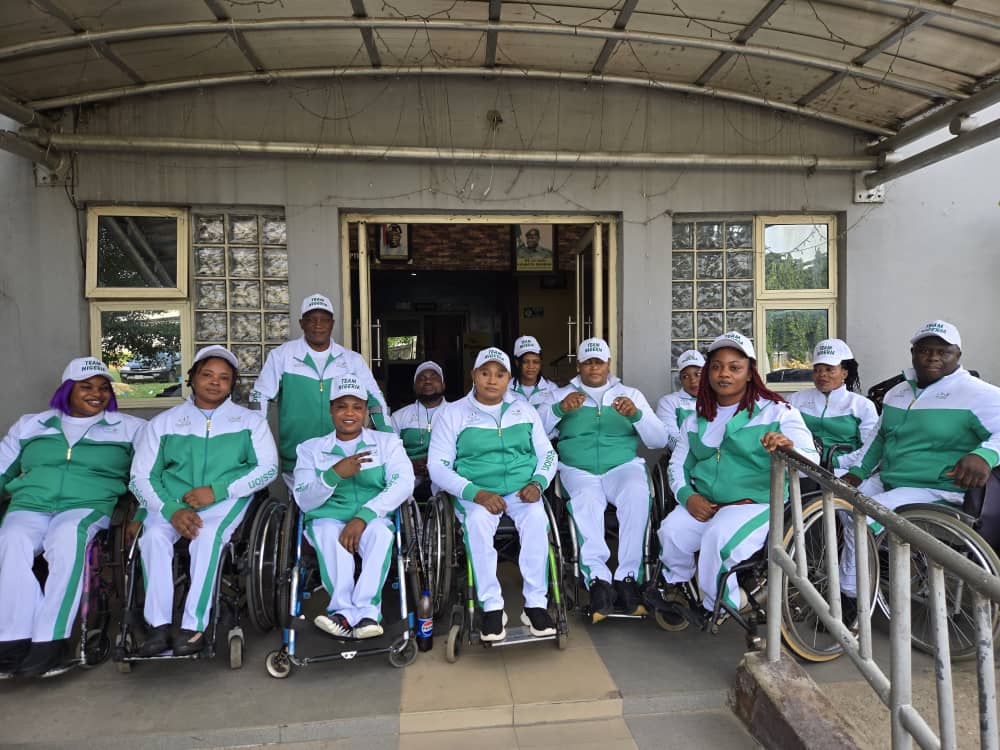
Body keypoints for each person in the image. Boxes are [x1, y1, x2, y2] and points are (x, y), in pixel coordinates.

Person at [839, 320, 1000, 610]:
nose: (933, 357)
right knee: (838, 502)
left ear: (958, 355)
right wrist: (857, 472)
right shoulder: (897, 392)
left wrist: (985, 455)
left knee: (861, 516)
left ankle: (851, 598)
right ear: (913, 353)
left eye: (943, 351)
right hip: (891, 478)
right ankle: (875, 564)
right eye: (925, 350)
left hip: (935, 487)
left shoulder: (979, 393)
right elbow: (879, 438)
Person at [657, 331, 818, 619]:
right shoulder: (696, 418)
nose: (724, 374)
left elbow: (810, 457)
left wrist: (788, 447)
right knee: (670, 533)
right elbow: (677, 465)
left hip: (756, 503)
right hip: (707, 502)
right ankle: (679, 587)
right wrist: (688, 496)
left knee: (717, 541)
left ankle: (725, 605)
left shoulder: (777, 412)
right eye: (717, 367)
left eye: (734, 367)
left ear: (750, 372)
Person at [0, 358, 144, 676]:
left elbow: (146, 475)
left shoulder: (130, 428)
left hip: (88, 505)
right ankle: (13, 637)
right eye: (86, 387)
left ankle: (50, 639)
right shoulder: (31, 425)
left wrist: (143, 512)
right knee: (10, 540)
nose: (97, 394)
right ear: (67, 390)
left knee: (66, 538)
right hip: (31, 503)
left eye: (104, 388)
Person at [131, 345, 278, 657]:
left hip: (226, 499)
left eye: (224, 378)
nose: (215, 382)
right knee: (153, 538)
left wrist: (219, 490)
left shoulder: (249, 422)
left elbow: (268, 469)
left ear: (232, 384)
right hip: (171, 501)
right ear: (192, 378)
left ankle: (194, 624)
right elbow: (140, 477)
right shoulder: (163, 423)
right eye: (207, 375)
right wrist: (171, 509)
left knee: (206, 537)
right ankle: (158, 625)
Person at [428, 347, 558, 642]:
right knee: (477, 523)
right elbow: (438, 466)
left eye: (499, 374)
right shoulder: (453, 413)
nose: (492, 380)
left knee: (537, 520)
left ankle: (535, 605)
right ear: (474, 375)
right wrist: (477, 493)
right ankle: (491, 606)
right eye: (485, 373)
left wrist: (538, 483)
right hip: (475, 493)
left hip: (521, 490)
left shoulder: (524, 410)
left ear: (508, 378)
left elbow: (547, 454)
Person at [543, 338, 668, 622]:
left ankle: (627, 578)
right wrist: (558, 410)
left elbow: (658, 439)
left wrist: (636, 415)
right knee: (586, 502)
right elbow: (534, 432)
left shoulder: (629, 395)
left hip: (621, 466)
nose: (594, 367)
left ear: (609, 364)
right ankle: (598, 580)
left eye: (599, 362)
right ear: (579, 365)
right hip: (578, 469)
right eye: (588, 362)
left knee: (636, 494)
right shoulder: (560, 395)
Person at [293, 375, 414, 639]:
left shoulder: (386, 443)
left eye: (357, 407)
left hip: (373, 516)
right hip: (327, 517)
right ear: (331, 410)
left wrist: (364, 516)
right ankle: (343, 613)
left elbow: (404, 483)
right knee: (329, 534)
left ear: (366, 411)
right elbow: (303, 499)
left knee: (380, 534)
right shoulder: (310, 450)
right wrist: (333, 475)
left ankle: (368, 613)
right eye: (342, 407)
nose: (349, 413)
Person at [250, 293, 392, 490]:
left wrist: (389, 437)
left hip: (345, 456)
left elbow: (376, 400)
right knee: (307, 504)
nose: (318, 325)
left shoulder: (351, 360)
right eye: (311, 319)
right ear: (301, 323)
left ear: (332, 323)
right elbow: (260, 398)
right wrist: (254, 441)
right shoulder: (282, 356)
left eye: (324, 319)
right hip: (297, 456)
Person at [788, 339, 877, 475]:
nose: (822, 374)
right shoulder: (795, 400)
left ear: (844, 373)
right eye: (817, 370)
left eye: (829, 369)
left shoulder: (862, 406)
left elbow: (871, 449)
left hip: (844, 471)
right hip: (802, 470)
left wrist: (835, 462)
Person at [391, 361, 449, 501]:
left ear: (443, 384)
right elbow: (389, 452)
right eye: (422, 378)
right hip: (409, 474)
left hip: (447, 474)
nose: (428, 381)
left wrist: (438, 464)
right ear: (414, 386)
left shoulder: (456, 414)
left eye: (433, 377)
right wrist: (410, 464)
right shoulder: (399, 417)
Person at [656, 349, 704, 452]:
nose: (693, 380)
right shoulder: (669, 402)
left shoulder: (721, 400)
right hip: (684, 459)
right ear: (680, 380)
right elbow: (671, 439)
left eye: (698, 374)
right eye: (685, 376)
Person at [509, 335, 555, 410]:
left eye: (535, 362)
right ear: (517, 363)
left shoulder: (552, 389)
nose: (531, 366)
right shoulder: (506, 389)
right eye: (525, 362)